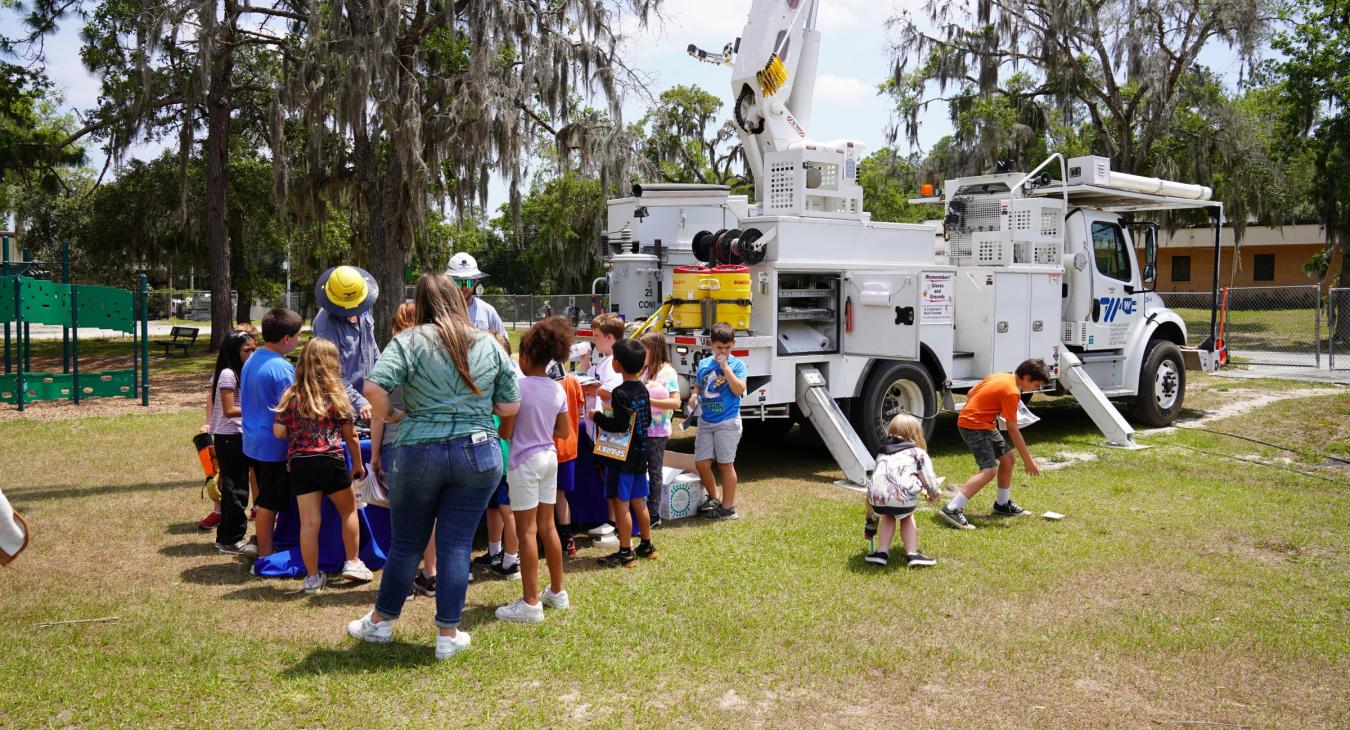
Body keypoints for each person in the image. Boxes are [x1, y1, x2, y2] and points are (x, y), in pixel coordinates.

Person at [348, 273, 521, 661]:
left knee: (407, 543)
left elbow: (373, 389)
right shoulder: (488, 344)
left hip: (417, 450)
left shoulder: (408, 341)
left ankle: (381, 622)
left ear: (420, 302)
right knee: (456, 545)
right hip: (478, 452)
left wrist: (391, 414)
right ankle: (448, 633)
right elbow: (510, 406)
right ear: (460, 299)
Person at [273, 338, 373, 594]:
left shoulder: (291, 395)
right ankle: (353, 561)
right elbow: (351, 436)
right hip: (330, 460)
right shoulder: (336, 395)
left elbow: (279, 432)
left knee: (309, 523)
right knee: (348, 510)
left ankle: (313, 577)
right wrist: (358, 465)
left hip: (300, 463)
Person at [495, 317, 573, 622]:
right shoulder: (557, 389)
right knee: (547, 527)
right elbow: (564, 431)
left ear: (525, 357)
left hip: (524, 462)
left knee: (526, 530)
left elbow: (506, 431)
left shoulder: (518, 387)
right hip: (548, 459)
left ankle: (529, 602)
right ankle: (556, 591)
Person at [371, 302, 438, 597]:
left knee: (403, 515)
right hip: (431, 440)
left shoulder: (392, 354)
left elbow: (377, 410)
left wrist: (373, 453)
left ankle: (404, 580)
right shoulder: (435, 355)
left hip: (398, 441)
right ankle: (431, 573)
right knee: (430, 513)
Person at [939, 358, 1050, 530]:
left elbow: (970, 393)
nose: (1036, 389)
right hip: (974, 426)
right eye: (1036, 385)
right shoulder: (1012, 392)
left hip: (982, 423)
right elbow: (1013, 429)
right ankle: (952, 508)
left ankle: (1002, 504)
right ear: (1027, 378)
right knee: (989, 470)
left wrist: (985, 410)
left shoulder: (1000, 376)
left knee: (1008, 459)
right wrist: (1029, 461)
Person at [240, 308, 303, 560]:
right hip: (273, 447)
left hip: (252, 442)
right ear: (287, 338)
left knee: (263, 499)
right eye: (298, 336)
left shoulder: (252, 359)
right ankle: (265, 554)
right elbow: (292, 412)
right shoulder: (282, 369)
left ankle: (265, 544)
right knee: (269, 503)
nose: (299, 341)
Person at [590, 338, 657, 568]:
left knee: (622, 503)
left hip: (623, 457)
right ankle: (647, 545)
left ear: (617, 364)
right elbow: (645, 419)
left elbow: (619, 425)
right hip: (641, 453)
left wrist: (597, 417)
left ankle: (625, 551)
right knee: (640, 501)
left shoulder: (619, 392)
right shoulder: (643, 389)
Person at [205, 331, 258, 555]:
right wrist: (259, 408)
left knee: (234, 488)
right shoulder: (228, 374)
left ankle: (226, 537)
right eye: (247, 350)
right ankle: (231, 539)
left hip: (238, 435)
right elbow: (229, 410)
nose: (252, 354)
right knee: (236, 489)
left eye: (254, 349)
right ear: (233, 351)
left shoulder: (242, 371)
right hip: (229, 436)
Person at [864, 413, 941, 568]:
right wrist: (933, 493)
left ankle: (881, 552)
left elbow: (875, 482)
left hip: (877, 498)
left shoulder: (882, 453)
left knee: (888, 514)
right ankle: (912, 553)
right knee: (906, 516)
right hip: (902, 497)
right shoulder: (917, 453)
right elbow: (929, 478)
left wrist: (870, 526)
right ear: (916, 435)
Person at [693, 323, 748, 521]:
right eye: (719, 348)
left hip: (727, 421)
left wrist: (725, 367)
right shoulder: (704, 364)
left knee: (725, 465)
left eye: (727, 348)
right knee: (701, 463)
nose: (723, 351)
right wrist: (694, 394)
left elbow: (739, 390)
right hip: (706, 421)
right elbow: (699, 383)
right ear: (711, 344)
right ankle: (714, 498)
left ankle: (728, 508)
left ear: (733, 344)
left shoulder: (738, 365)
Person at [312, 265, 380, 421]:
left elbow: (373, 350)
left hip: (370, 403)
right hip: (342, 409)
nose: (353, 309)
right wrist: (359, 402)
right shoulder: (325, 326)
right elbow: (331, 375)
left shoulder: (364, 309)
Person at [580, 313, 625, 545]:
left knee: (611, 476)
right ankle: (612, 520)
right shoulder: (605, 360)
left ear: (610, 337)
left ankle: (616, 524)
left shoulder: (615, 362)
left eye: (596, 336)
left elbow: (610, 391)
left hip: (608, 428)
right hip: (599, 427)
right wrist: (586, 363)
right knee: (606, 474)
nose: (593, 340)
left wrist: (592, 390)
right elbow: (591, 378)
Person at [640, 331, 681, 528]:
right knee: (641, 470)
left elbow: (675, 402)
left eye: (644, 349)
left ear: (654, 350)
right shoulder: (644, 370)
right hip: (641, 429)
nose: (641, 353)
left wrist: (650, 401)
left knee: (655, 471)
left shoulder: (668, 372)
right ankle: (642, 511)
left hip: (657, 432)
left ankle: (653, 514)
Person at [552, 343, 586, 556]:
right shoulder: (573, 381)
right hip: (570, 447)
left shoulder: (545, 384)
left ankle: (546, 538)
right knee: (561, 496)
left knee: (545, 497)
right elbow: (580, 407)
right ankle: (568, 541)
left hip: (550, 448)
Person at [445, 251, 507, 337]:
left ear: (476, 282)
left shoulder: (488, 311)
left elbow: (503, 343)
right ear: (449, 282)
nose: (464, 287)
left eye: (469, 282)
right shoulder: (442, 311)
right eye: (458, 282)